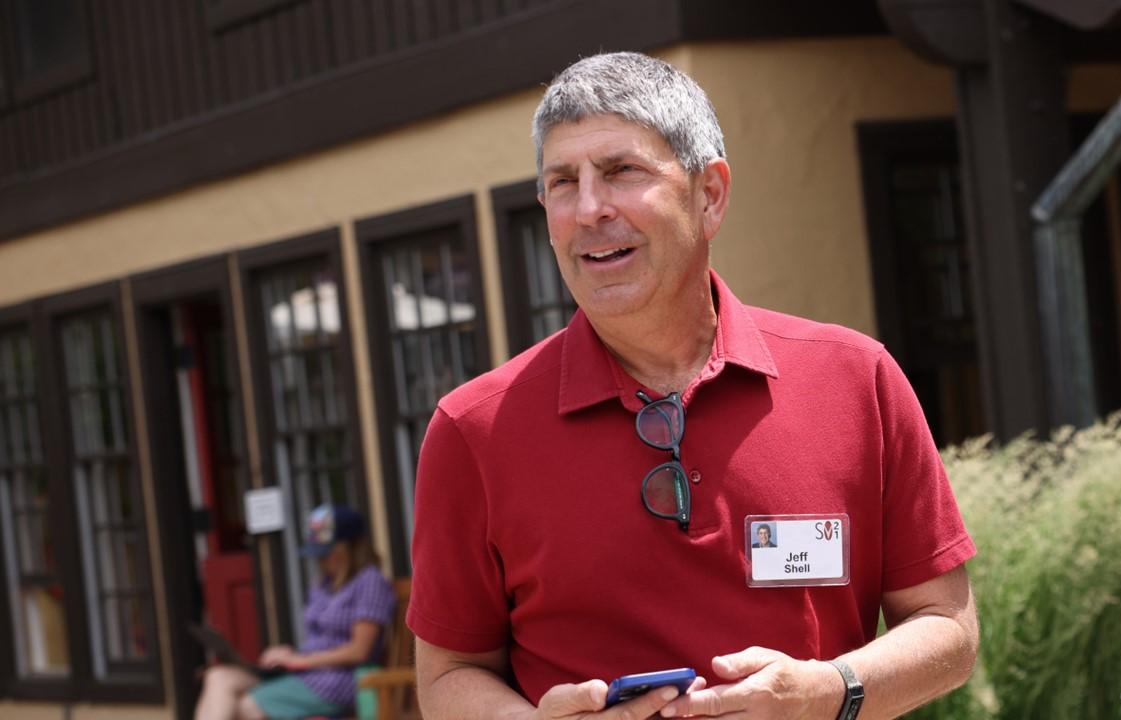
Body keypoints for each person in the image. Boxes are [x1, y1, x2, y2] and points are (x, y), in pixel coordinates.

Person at [409, 51, 978, 720]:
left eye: (621, 172)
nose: (589, 208)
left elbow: (949, 628)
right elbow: (447, 675)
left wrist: (829, 691)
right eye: (563, 182)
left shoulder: (857, 378)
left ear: (709, 194)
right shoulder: (472, 429)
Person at [195, 504, 396, 720]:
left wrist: (301, 661)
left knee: (245, 707)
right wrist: (288, 655)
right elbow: (317, 640)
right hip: (304, 673)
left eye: (327, 552)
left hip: (337, 680)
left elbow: (359, 651)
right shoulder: (324, 583)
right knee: (217, 678)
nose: (321, 560)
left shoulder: (370, 581)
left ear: (350, 548)